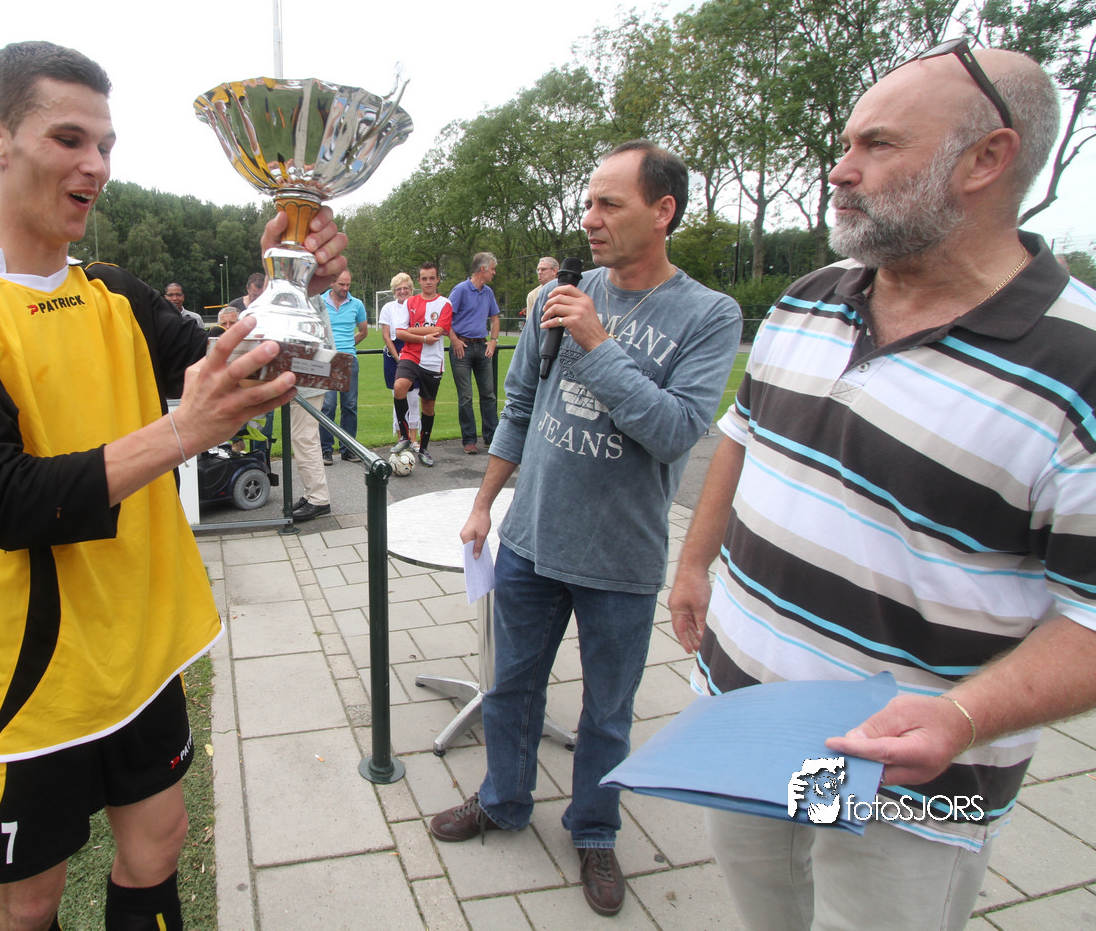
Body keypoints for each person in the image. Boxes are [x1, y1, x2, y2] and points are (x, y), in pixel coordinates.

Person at [0, 41, 346, 931]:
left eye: (106, 144)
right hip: (25, 673)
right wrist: (182, 432)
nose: (96, 165)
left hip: (141, 646)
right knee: (30, 900)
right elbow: (4, 501)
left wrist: (295, 284)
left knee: (158, 847)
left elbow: (258, 368)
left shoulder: (117, 292)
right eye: (69, 139)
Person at [670, 46, 1096, 931]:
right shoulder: (808, 298)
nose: (839, 168)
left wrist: (962, 716)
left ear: (985, 158)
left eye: (877, 144)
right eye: (845, 143)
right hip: (743, 721)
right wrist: (694, 563)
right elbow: (741, 437)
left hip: (903, 784)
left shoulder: (1079, 365)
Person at [428, 140, 741, 919]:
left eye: (608, 203)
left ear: (662, 211)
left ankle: (594, 827)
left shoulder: (707, 315)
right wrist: (484, 502)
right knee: (510, 689)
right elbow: (520, 408)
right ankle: (502, 800)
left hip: (620, 559)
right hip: (531, 541)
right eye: (587, 203)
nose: (589, 219)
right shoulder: (552, 297)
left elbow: (673, 432)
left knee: (606, 711)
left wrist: (598, 344)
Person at [390, 261, 451, 466]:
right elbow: (399, 333)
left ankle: (423, 448)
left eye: (432, 278)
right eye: (424, 278)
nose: (428, 282)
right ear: (419, 280)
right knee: (399, 387)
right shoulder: (409, 303)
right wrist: (424, 336)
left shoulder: (445, 304)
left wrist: (411, 330)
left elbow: (440, 331)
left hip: (433, 361)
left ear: (437, 279)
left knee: (428, 405)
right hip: (411, 355)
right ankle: (405, 436)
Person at [447, 252, 502, 454]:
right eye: (492, 269)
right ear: (483, 269)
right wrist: (455, 340)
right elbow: (445, 318)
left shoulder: (488, 292)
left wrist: (493, 341)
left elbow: (495, 319)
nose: (494, 273)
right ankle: (469, 440)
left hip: (482, 347)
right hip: (462, 348)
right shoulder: (460, 290)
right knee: (466, 396)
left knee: (489, 395)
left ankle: (491, 438)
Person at [290, 295, 338, 522]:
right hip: (306, 373)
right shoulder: (305, 295)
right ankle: (312, 493)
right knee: (303, 437)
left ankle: (318, 499)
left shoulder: (305, 296)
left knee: (304, 438)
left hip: (308, 374)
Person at [318, 269, 368, 464]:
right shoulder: (319, 302)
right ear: (332, 282)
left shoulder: (357, 304)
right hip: (327, 359)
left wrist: (347, 346)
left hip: (348, 359)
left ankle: (348, 449)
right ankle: (326, 450)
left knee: (350, 406)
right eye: (342, 284)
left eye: (348, 284)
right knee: (328, 406)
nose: (345, 288)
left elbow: (363, 331)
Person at [377, 273, 421, 447]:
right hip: (393, 354)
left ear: (411, 289)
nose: (402, 291)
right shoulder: (388, 308)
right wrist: (398, 358)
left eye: (406, 288)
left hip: (415, 352)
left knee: (414, 398)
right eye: (398, 289)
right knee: (398, 398)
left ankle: (414, 439)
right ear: (394, 291)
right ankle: (401, 438)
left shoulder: (418, 305)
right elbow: (386, 336)